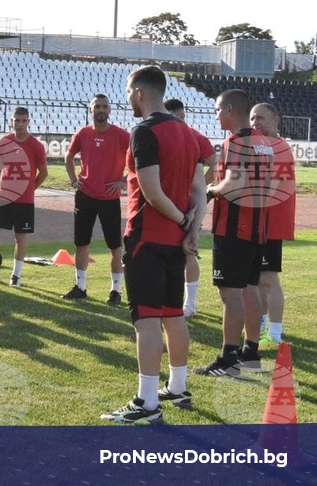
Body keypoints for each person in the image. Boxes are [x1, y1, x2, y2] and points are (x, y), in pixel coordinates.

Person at [102, 65, 205, 425]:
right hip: (175, 242)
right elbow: (199, 190)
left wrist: (181, 221)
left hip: (148, 238)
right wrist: (192, 229)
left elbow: (151, 191)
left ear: (140, 93)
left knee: (146, 320)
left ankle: (146, 402)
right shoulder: (188, 133)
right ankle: (177, 387)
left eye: (129, 93)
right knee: (172, 315)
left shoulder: (144, 131)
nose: (128, 99)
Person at [196, 89, 272, 377]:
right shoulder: (264, 143)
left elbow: (233, 184)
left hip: (234, 226)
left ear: (229, 110)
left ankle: (229, 358)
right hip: (257, 225)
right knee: (250, 288)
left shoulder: (236, 141)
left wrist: (209, 191)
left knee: (230, 293)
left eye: (217, 110)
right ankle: (250, 352)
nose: (216, 115)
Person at [63, 94, 130, 305]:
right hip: (85, 196)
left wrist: (123, 181)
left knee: (115, 246)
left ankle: (116, 291)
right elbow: (68, 157)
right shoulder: (83, 133)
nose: (101, 110)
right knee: (81, 243)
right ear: (90, 110)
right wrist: (74, 180)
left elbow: (138, 158)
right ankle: (80, 287)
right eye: (97, 106)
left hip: (110, 198)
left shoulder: (121, 135)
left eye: (104, 106)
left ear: (109, 110)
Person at [0, 107, 47, 286]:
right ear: (11, 121)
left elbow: (43, 173)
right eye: (16, 120)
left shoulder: (36, 145)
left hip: (24, 200)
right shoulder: (3, 142)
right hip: (4, 196)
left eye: (23, 121)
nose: (20, 124)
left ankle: (16, 275)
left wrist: (29, 189)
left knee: (20, 236)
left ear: (28, 122)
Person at [164, 98, 218, 317]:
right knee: (165, 248)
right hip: (166, 202)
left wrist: (199, 189)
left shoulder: (196, 136)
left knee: (188, 249)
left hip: (188, 204)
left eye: (179, 117)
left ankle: (190, 303)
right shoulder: (161, 134)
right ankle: (170, 299)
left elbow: (215, 164)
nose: (176, 121)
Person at [250, 103, 294, 345]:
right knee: (257, 278)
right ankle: (262, 323)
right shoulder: (259, 147)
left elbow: (271, 189)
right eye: (252, 118)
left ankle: (275, 333)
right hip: (258, 221)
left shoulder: (280, 148)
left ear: (276, 119)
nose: (255, 123)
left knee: (268, 278)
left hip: (271, 223)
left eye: (260, 118)